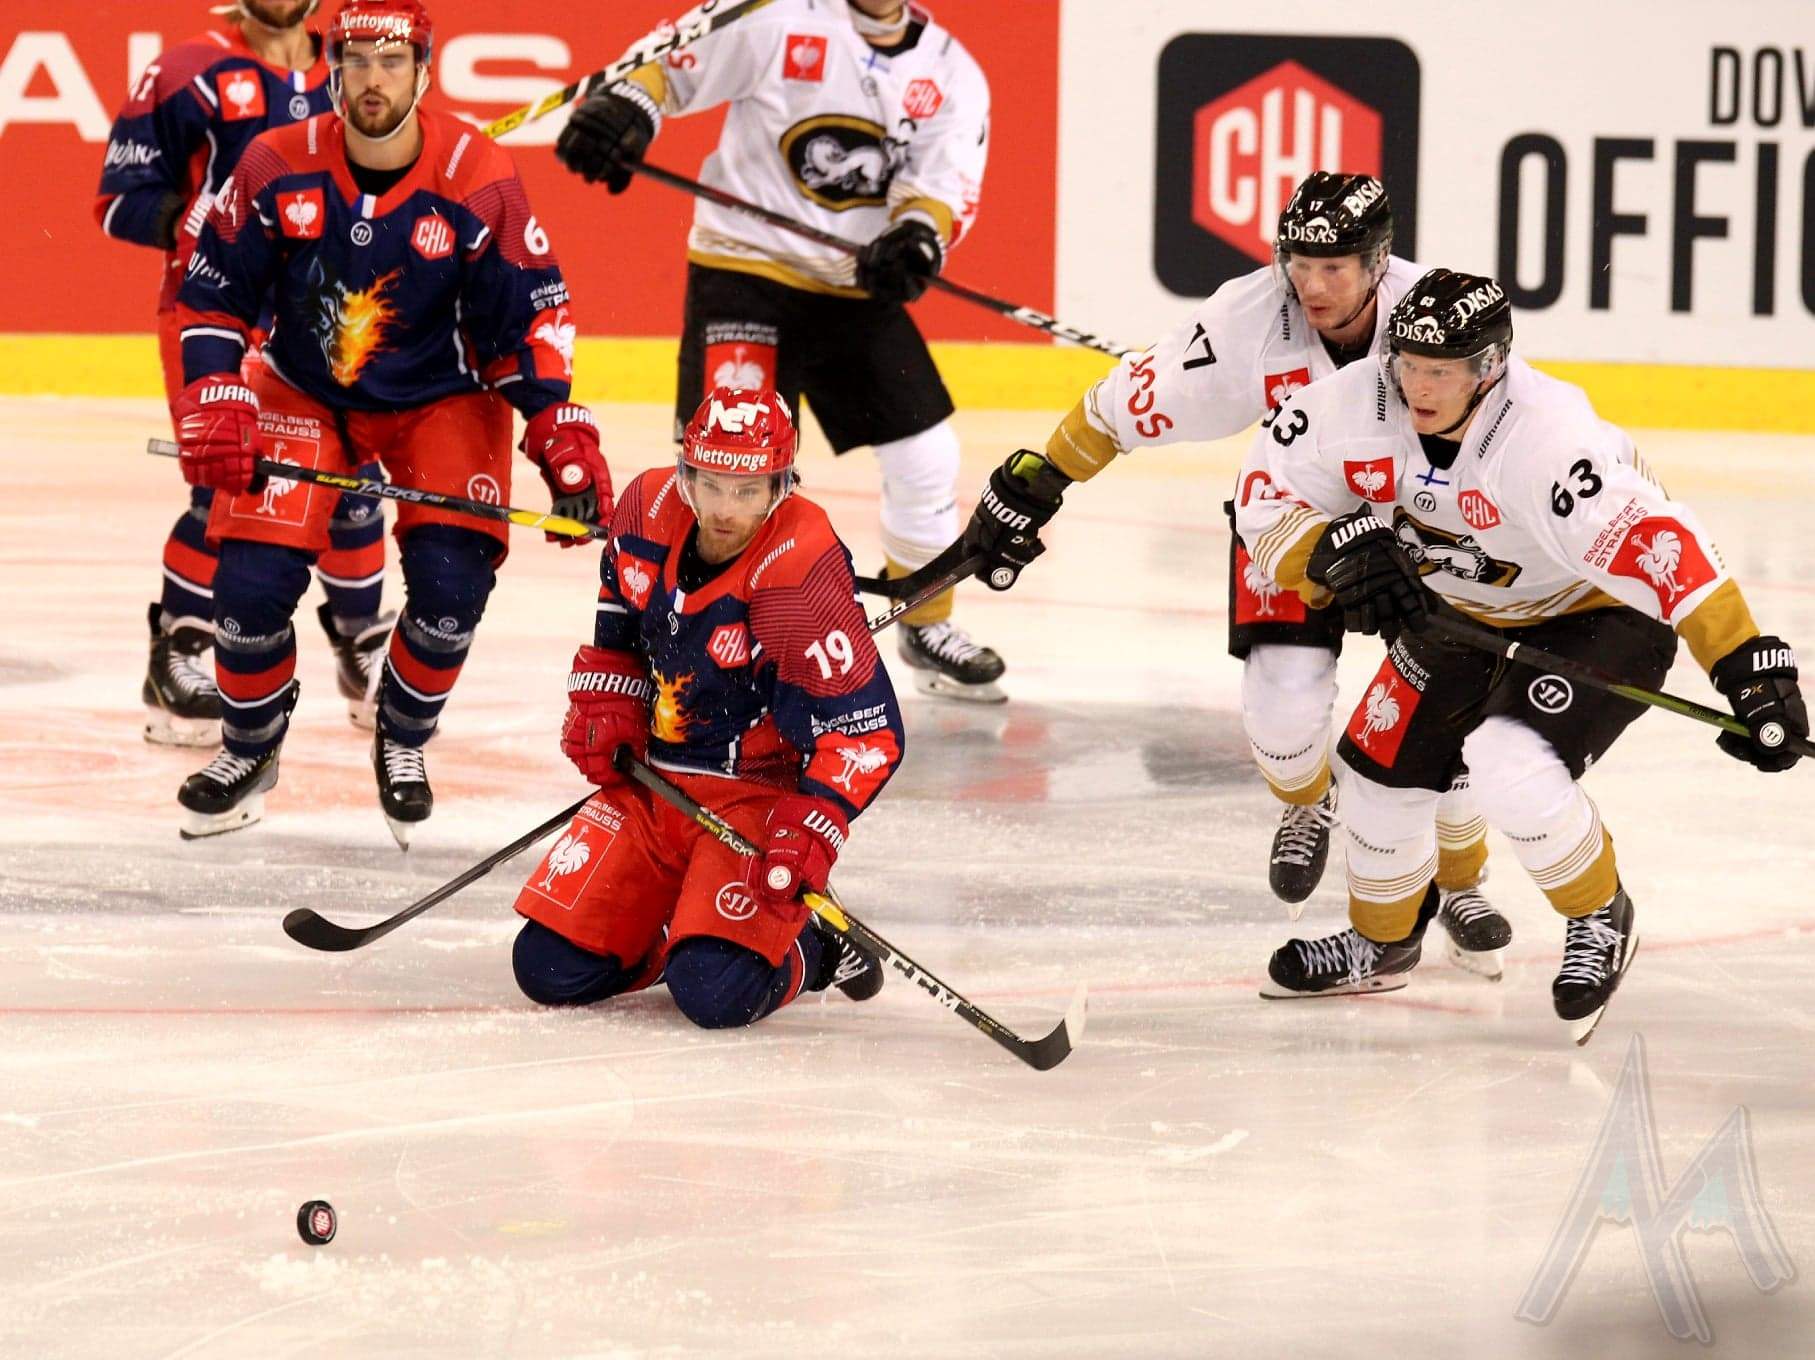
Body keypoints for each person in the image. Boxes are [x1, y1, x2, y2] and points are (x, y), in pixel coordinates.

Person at [956, 173, 1511, 973]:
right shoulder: (1245, 319)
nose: (1311, 286)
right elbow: (1122, 405)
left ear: (1378, 261)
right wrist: (1038, 480)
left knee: (1447, 722)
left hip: (1419, 531)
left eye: (1334, 268)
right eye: (1298, 264)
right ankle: (1307, 800)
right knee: (1282, 726)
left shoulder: (1436, 315)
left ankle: (1458, 881)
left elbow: (1512, 436)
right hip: (1289, 525)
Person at [1231, 268, 1805, 1033]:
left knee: (1508, 763)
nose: (1418, 387)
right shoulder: (1350, 404)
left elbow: (1661, 549)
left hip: (1594, 615)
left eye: (1440, 372)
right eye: (1408, 364)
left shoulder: (1547, 440)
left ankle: (1597, 912)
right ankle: (1382, 944)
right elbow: (1263, 494)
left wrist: (1745, 665)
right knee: (1375, 779)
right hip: (1459, 615)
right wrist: (1325, 552)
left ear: (1489, 366)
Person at [169, 0, 610, 845]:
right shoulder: (273, 161)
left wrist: (557, 426)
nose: (374, 78)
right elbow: (213, 290)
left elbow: (526, 316)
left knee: (451, 590)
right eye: (358, 60)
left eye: (392, 61)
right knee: (249, 590)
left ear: (424, 72)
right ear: (332, 70)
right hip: (303, 390)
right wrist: (217, 391)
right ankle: (249, 748)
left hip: (442, 398)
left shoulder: (478, 172)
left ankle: (401, 737)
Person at [553, 0, 1007, 701]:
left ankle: (925, 621)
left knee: (927, 455)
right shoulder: (777, 15)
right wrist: (624, 109)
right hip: (744, 272)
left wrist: (915, 238)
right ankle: (686, 638)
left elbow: (940, 188)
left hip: (852, 285)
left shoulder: (952, 71)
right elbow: (670, 66)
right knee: (724, 471)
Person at [511, 386, 899, 1027]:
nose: (724, 508)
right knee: (548, 969)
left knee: (716, 995)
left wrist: (810, 827)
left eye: (747, 491)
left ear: (781, 484)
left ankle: (817, 946)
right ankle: (687, 917)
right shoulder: (646, 505)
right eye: (710, 484)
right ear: (685, 471)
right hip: (653, 785)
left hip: (752, 796)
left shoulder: (800, 570)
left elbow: (867, 734)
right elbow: (620, 616)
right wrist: (609, 703)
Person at [96, 0, 392, 747]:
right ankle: (181, 654)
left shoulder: (355, 64)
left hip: (331, 311)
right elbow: (118, 202)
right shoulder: (186, 70)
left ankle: (361, 644)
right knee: (230, 479)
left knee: (354, 481)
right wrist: (194, 217)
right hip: (216, 307)